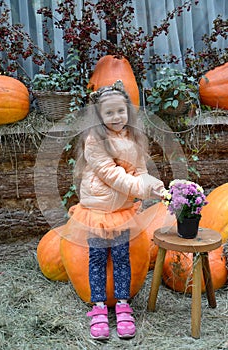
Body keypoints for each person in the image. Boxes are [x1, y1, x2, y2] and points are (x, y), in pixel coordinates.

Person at [66, 80, 166, 340]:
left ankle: (123, 304)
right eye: (109, 112)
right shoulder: (94, 140)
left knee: (122, 258)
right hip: (98, 212)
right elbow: (114, 176)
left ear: (128, 112)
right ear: (99, 115)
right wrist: (143, 189)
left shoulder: (133, 136)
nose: (116, 117)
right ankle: (98, 308)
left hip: (122, 212)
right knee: (98, 260)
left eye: (120, 111)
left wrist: (154, 185)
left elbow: (140, 172)